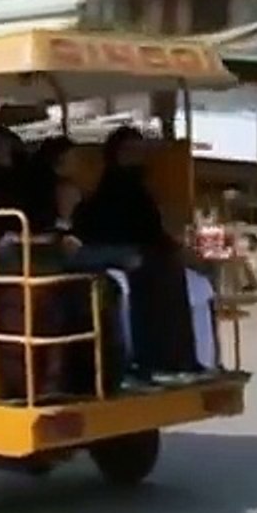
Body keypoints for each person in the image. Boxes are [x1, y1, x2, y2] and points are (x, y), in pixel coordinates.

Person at [74, 126, 202, 379]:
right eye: (132, 151)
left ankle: (178, 357)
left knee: (172, 271)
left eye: (140, 151)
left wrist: (174, 247)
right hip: (112, 251)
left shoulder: (137, 186)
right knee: (153, 273)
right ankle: (150, 358)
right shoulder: (113, 187)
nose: (138, 157)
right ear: (118, 154)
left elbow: (149, 227)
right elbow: (121, 227)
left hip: (138, 249)